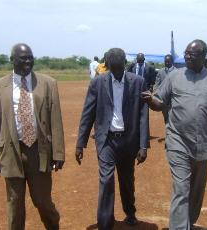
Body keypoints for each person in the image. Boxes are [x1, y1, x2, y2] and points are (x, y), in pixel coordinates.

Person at [141, 39, 207, 230]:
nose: (187, 56)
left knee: (196, 192)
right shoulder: (174, 77)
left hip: (204, 144)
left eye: (192, 54)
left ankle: (187, 222)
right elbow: (159, 102)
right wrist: (150, 101)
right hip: (178, 141)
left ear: (204, 56)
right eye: (186, 53)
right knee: (181, 189)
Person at [0, 43, 65, 230]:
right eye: (23, 58)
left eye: (30, 57)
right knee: (14, 204)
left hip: (39, 152)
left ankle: (53, 226)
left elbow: (56, 121)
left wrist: (59, 153)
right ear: (12, 60)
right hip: (11, 152)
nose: (28, 61)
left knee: (42, 201)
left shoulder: (48, 84)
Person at [75, 48, 149, 230]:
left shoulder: (138, 82)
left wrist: (143, 145)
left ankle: (130, 212)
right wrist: (80, 143)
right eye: (112, 67)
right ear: (107, 65)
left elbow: (142, 115)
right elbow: (88, 113)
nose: (116, 71)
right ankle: (105, 223)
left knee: (126, 179)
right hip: (106, 140)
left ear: (125, 64)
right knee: (106, 179)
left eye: (119, 66)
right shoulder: (97, 83)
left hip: (128, 140)